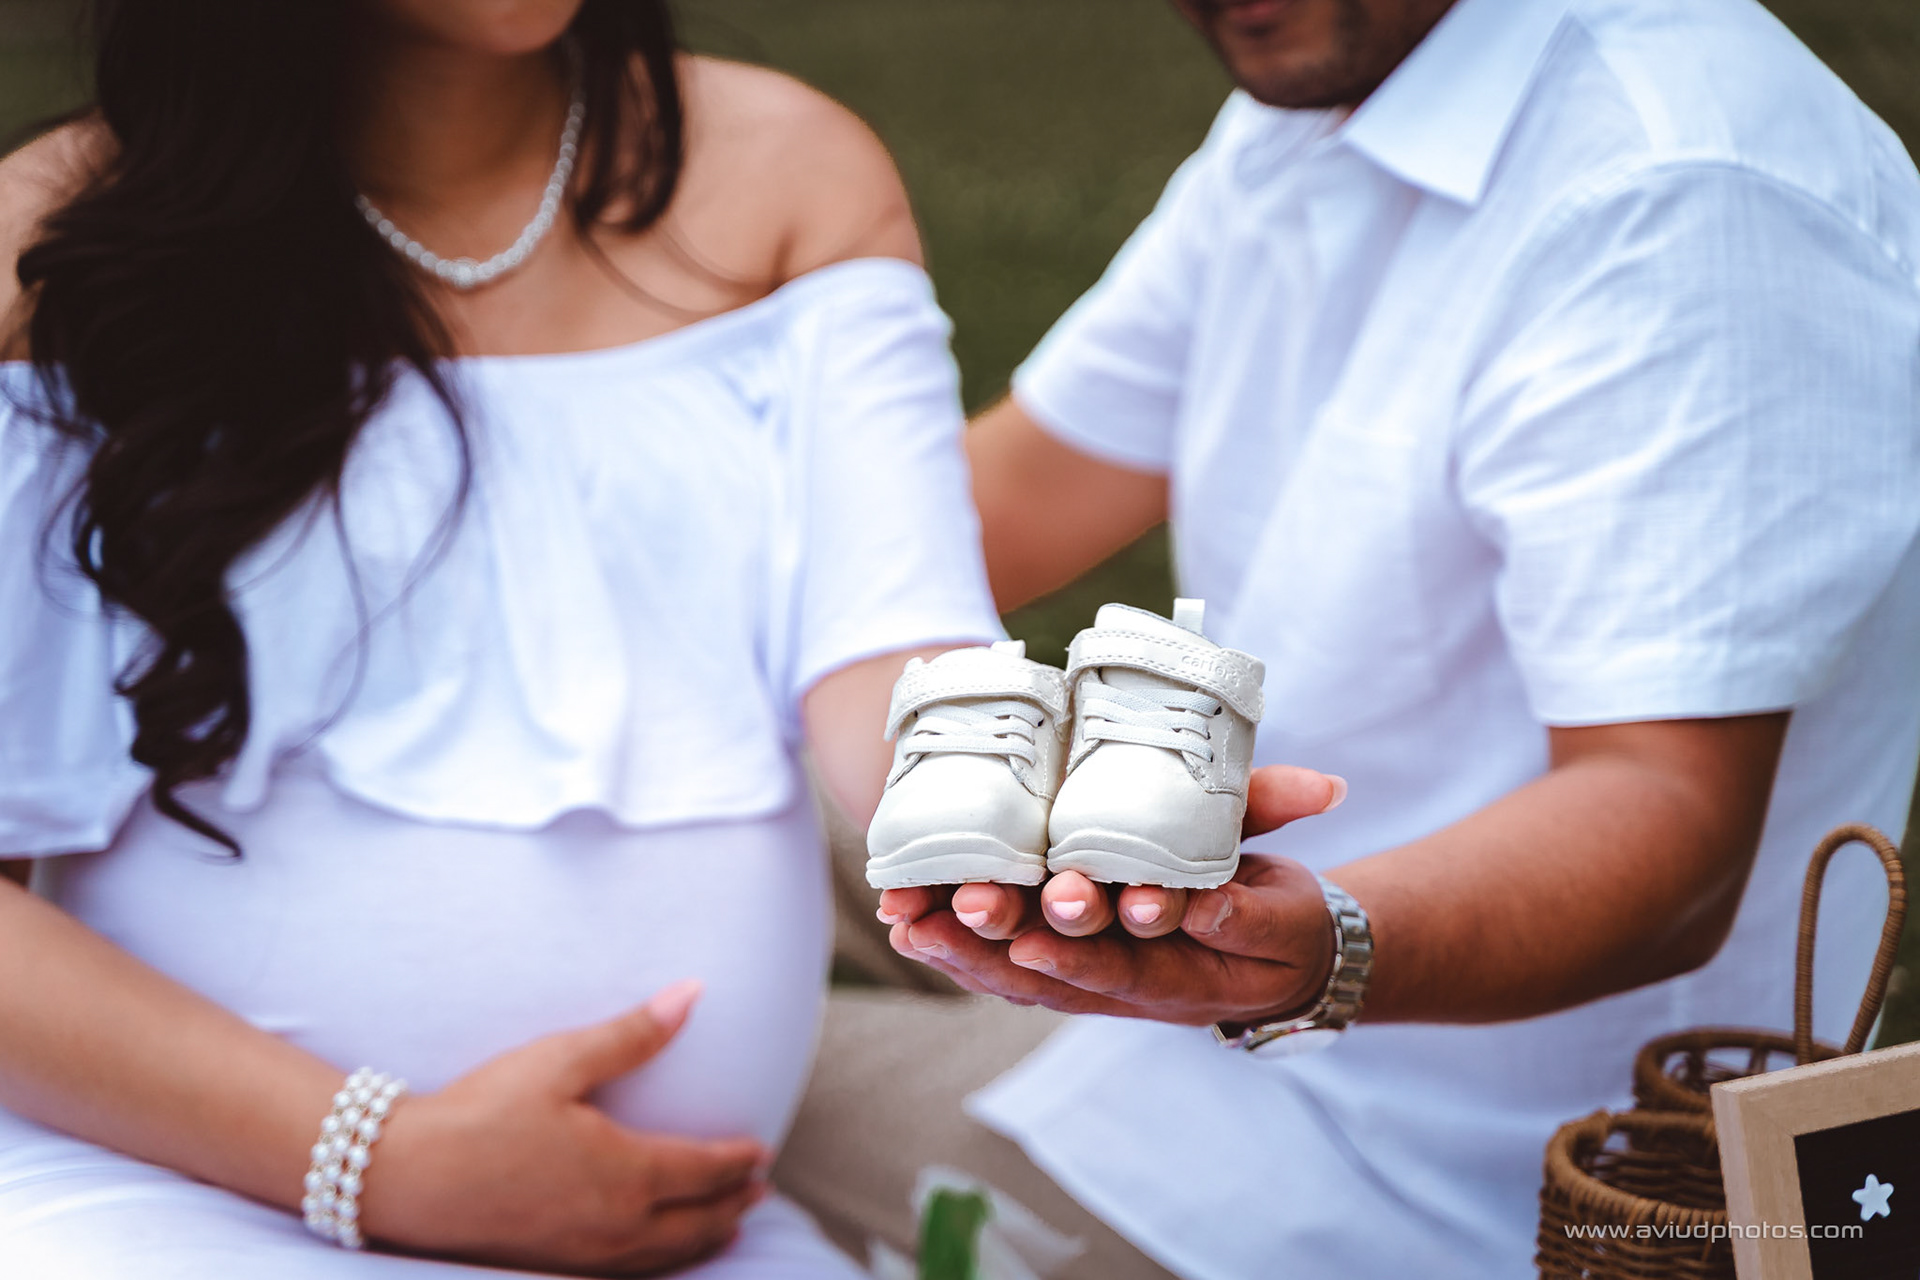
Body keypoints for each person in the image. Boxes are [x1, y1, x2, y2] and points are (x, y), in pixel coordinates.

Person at [773, 0, 1920, 1275]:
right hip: (1228, 928)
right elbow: (1017, 495)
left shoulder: (1686, 193)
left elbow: (1669, 832)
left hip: (1443, 1172)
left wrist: (1313, 952)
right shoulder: (1335, 82)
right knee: (678, 801)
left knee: (679, 1075)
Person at [0, 1, 1005, 1275]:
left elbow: (896, 661)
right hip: (168, 1194)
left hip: (686, 1235)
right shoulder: (48, 241)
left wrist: (1037, 808)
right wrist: (375, 1156)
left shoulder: (792, 176)